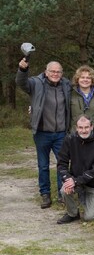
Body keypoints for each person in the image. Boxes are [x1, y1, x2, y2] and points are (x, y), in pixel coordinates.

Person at [16, 58, 71, 208]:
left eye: (58, 71)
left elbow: (83, 88)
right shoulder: (36, 83)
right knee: (43, 165)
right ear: (46, 72)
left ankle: (62, 193)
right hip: (42, 132)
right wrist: (22, 70)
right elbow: (21, 83)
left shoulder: (66, 85)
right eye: (52, 71)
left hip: (61, 133)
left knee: (62, 164)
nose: (55, 74)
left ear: (62, 73)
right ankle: (45, 194)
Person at [56, 115, 94, 224]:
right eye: (81, 127)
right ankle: (72, 214)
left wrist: (75, 181)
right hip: (77, 181)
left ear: (92, 127)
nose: (83, 130)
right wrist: (68, 180)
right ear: (76, 128)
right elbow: (62, 163)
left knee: (89, 217)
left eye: (86, 127)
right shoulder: (69, 139)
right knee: (64, 190)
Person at [70, 65, 94, 131]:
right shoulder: (70, 94)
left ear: (92, 80)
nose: (85, 80)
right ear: (77, 79)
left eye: (88, 78)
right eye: (82, 77)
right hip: (75, 135)